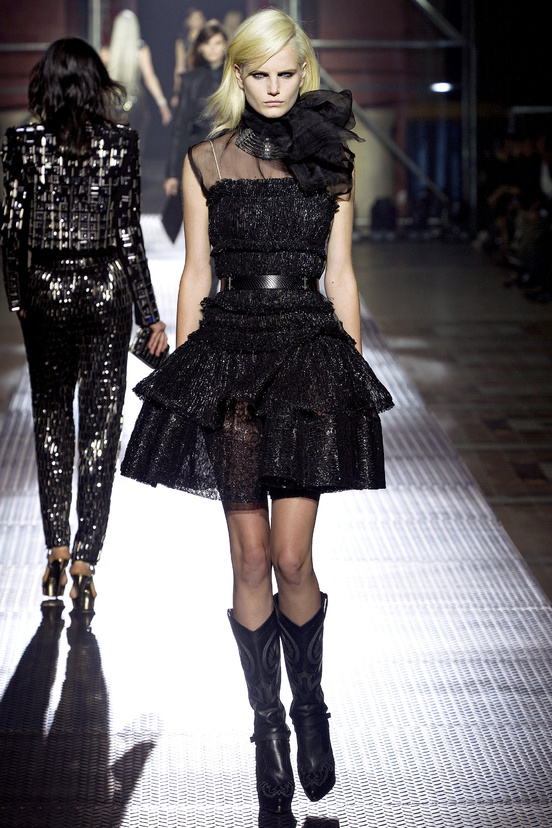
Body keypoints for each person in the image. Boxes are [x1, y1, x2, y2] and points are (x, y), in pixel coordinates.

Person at [121, 8, 393, 815]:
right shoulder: (206, 159)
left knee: (293, 559)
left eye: (286, 74)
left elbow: (341, 274)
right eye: (259, 75)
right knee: (248, 560)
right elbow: (196, 271)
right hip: (232, 356)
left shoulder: (331, 161)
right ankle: (266, 725)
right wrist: (183, 361)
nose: (274, 89)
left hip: (308, 358)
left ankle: (311, 707)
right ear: (237, 76)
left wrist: (349, 376)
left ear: (302, 72)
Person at [0, 38, 168, 613]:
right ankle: (85, 560)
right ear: (98, 84)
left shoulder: (22, 142)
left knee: (50, 419)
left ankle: (54, 546)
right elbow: (128, 234)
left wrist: (18, 298)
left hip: (45, 290)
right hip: (104, 291)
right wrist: (149, 314)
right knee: (101, 427)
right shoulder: (120, 143)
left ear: (44, 84)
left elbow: (10, 229)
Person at [163, 21, 227, 253]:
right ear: (199, 47)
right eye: (207, 44)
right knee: (201, 225)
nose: (213, 49)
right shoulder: (190, 81)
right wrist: (172, 173)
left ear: (225, 45)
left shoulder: (236, 78)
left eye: (217, 43)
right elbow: (179, 128)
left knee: (225, 224)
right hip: (199, 156)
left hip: (229, 156)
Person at [102, 9, 172, 137]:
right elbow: (150, 78)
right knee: (135, 141)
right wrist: (162, 104)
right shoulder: (141, 51)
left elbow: (98, 80)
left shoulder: (106, 53)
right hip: (135, 101)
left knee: (112, 138)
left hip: (112, 101)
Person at [171, 6, 207, 107]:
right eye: (193, 17)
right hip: (190, 82)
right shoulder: (182, 41)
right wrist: (176, 92)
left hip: (207, 80)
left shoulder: (208, 39)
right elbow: (179, 66)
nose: (196, 20)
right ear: (187, 21)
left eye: (199, 17)